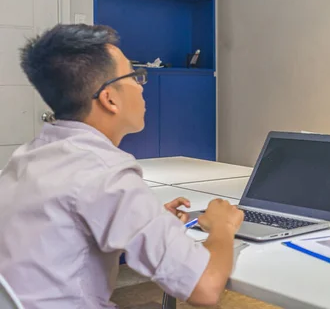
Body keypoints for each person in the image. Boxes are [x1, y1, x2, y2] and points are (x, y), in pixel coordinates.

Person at [0, 24, 244, 308]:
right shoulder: (105, 172)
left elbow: (57, 234)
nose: (142, 88)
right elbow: (205, 287)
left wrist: (142, 219)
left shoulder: (27, 157)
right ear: (109, 99)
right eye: (136, 76)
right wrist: (223, 227)